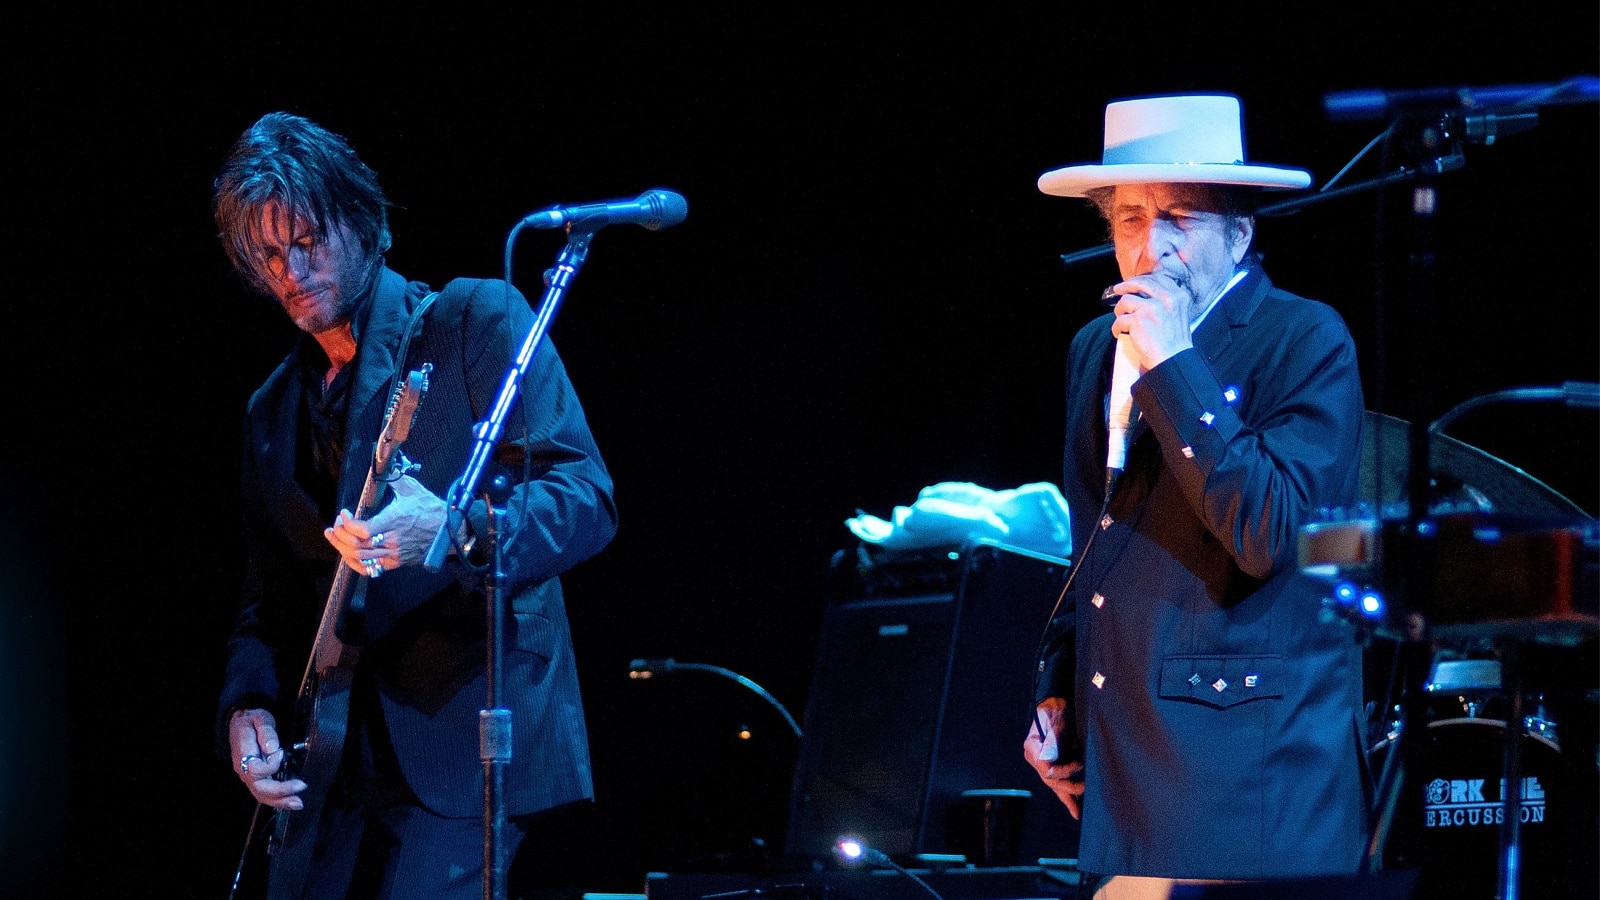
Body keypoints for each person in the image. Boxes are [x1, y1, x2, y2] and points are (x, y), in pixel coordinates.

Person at [212, 111, 618, 899]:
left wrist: (462, 529)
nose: (291, 270)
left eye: (307, 240)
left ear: (366, 225)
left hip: (468, 742)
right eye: (268, 255)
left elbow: (586, 497)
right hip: (330, 759)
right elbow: (266, 600)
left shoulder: (473, 321)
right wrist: (248, 706)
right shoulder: (270, 412)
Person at [1021, 95, 1370, 895]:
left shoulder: (1304, 337)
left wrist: (1175, 364)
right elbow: (1099, 541)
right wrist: (1057, 687)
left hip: (1253, 769)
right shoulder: (1092, 348)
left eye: (1181, 217)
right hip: (1129, 759)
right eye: (1132, 219)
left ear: (1238, 233)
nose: (1154, 246)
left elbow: (1269, 534)